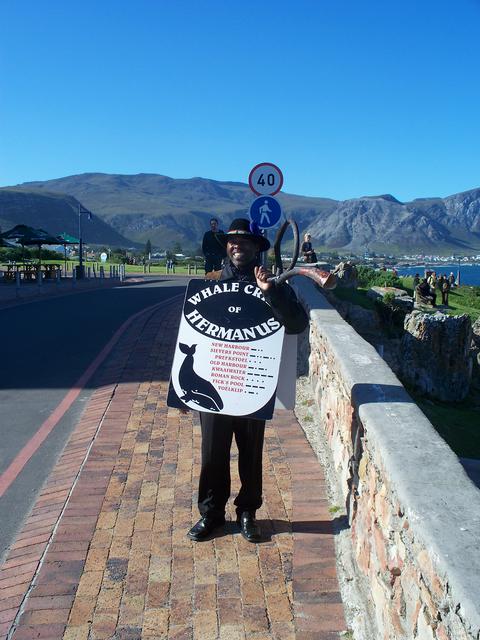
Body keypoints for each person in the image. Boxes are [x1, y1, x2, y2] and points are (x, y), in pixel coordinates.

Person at [188, 218, 309, 543]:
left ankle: (247, 512)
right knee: (212, 452)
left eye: (244, 241)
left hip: (252, 382)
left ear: (257, 247)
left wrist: (271, 293)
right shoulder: (210, 282)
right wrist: (182, 389)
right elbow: (192, 331)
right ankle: (211, 514)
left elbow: (297, 324)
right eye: (232, 241)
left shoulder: (273, 283)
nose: (237, 245)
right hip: (215, 380)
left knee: (250, 451)